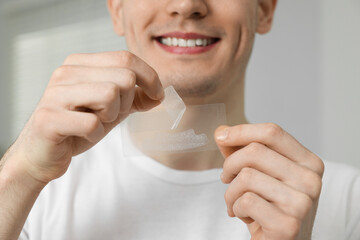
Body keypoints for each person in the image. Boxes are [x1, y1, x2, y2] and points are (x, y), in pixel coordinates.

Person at [0, 0, 359, 239]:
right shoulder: (37, 192)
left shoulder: (346, 201)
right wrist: (19, 173)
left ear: (263, 9)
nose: (186, 4)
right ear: (117, 8)